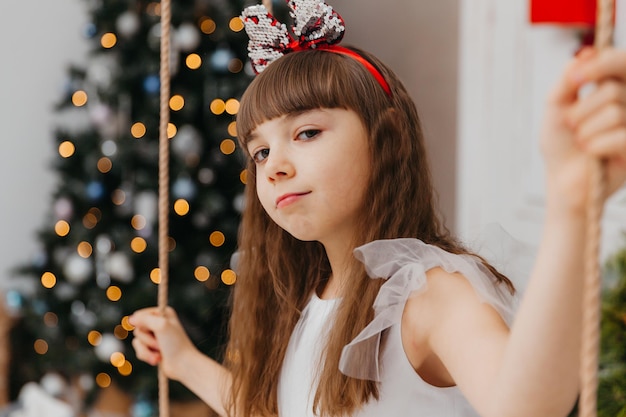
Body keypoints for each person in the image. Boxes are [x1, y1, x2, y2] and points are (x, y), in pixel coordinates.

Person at [129, 1, 626, 416]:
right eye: (260, 152)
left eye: (306, 133)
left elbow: (526, 407)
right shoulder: (309, 299)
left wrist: (570, 209)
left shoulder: (429, 297)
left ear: (385, 140)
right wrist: (185, 362)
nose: (274, 166)